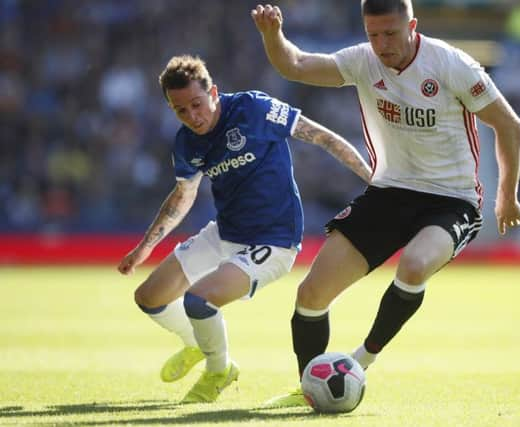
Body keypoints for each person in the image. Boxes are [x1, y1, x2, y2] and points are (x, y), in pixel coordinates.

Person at [252, 0, 520, 408]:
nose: (381, 44)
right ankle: (311, 389)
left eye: (390, 34)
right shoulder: (363, 61)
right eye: (373, 34)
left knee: (414, 265)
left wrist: (507, 195)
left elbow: (509, 124)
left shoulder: (452, 64)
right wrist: (272, 36)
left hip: (452, 200)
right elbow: (295, 65)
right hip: (390, 192)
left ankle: (361, 361)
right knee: (311, 294)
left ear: (412, 26)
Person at [117, 54, 371, 404]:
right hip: (224, 233)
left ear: (214, 93)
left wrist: (373, 178)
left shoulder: (255, 109)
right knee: (148, 297)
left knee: (198, 299)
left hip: (274, 242)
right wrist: (144, 248)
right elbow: (182, 195)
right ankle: (197, 343)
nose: (193, 116)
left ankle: (219, 369)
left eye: (196, 104)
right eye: (181, 111)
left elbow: (321, 137)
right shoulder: (187, 142)